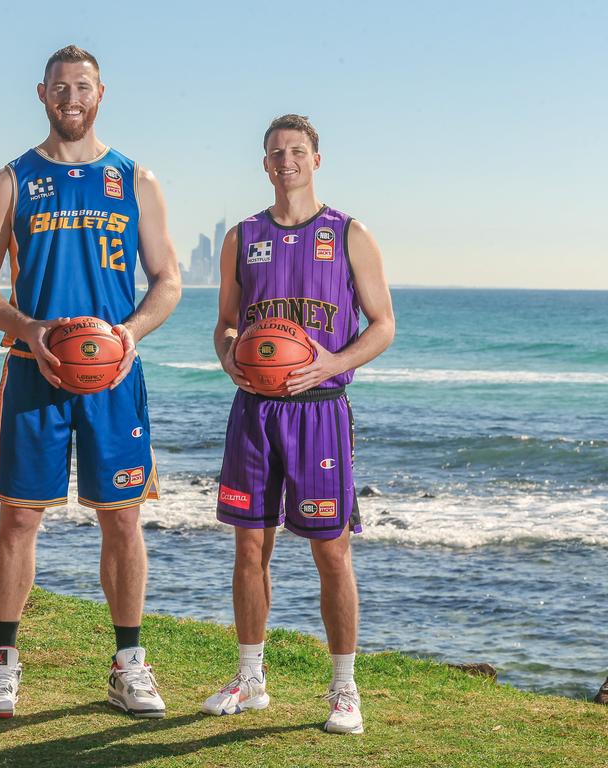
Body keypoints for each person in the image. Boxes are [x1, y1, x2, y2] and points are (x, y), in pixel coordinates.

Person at [0, 45, 181, 719]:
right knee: (20, 517)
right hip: (35, 371)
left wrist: (129, 335)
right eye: (60, 87)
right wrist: (28, 329)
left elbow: (168, 280)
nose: (71, 97)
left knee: (122, 518)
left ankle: (129, 665)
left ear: (101, 93)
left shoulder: (134, 179)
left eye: (82, 87)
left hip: (113, 372)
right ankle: (2, 664)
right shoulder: (12, 179)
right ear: (42, 94)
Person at [201, 114, 395, 734]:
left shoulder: (348, 233)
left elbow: (383, 324)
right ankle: (251, 678)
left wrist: (335, 361)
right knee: (249, 548)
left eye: (297, 151)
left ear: (316, 159)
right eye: (276, 153)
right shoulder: (242, 236)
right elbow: (226, 323)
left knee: (330, 552)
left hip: (319, 412)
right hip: (255, 411)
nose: (286, 161)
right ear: (264, 164)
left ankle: (344, 690)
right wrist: (229, 355)